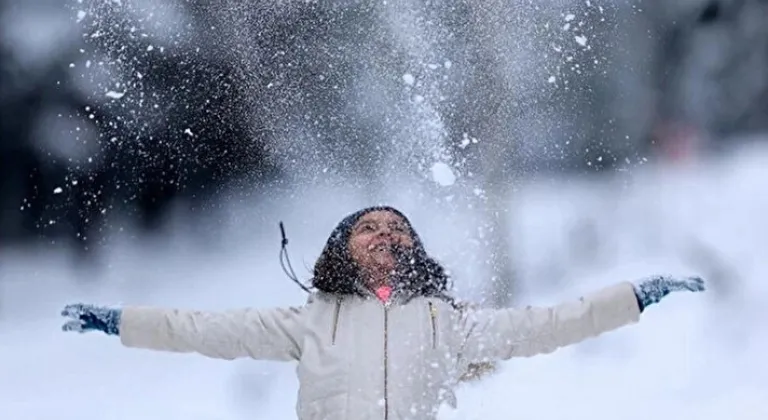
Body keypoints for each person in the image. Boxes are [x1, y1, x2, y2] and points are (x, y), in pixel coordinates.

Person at [61, 205, 705, 420]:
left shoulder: (445, 322)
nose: (385, 233)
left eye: (398, 227)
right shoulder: (309, 320)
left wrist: (634, 296)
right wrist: (119, 321)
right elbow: (200, 329)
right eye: (368, 226)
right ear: (342, 248)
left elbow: (548, 324)